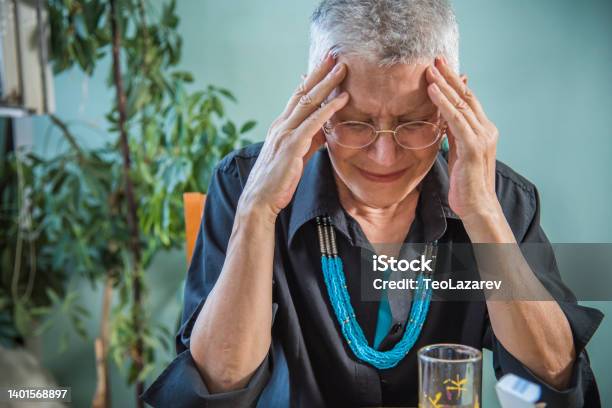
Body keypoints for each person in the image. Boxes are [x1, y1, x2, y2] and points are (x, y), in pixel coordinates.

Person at [142, 0, 603, 406]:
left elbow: (554, 383)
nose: (384, 157)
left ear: (452, 110)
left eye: (414, 123)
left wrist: (482, 216)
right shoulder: (244, 185)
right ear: (313, 103)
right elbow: (216, 389)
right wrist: (258, 212)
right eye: (355, 122)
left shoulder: (501, 199)